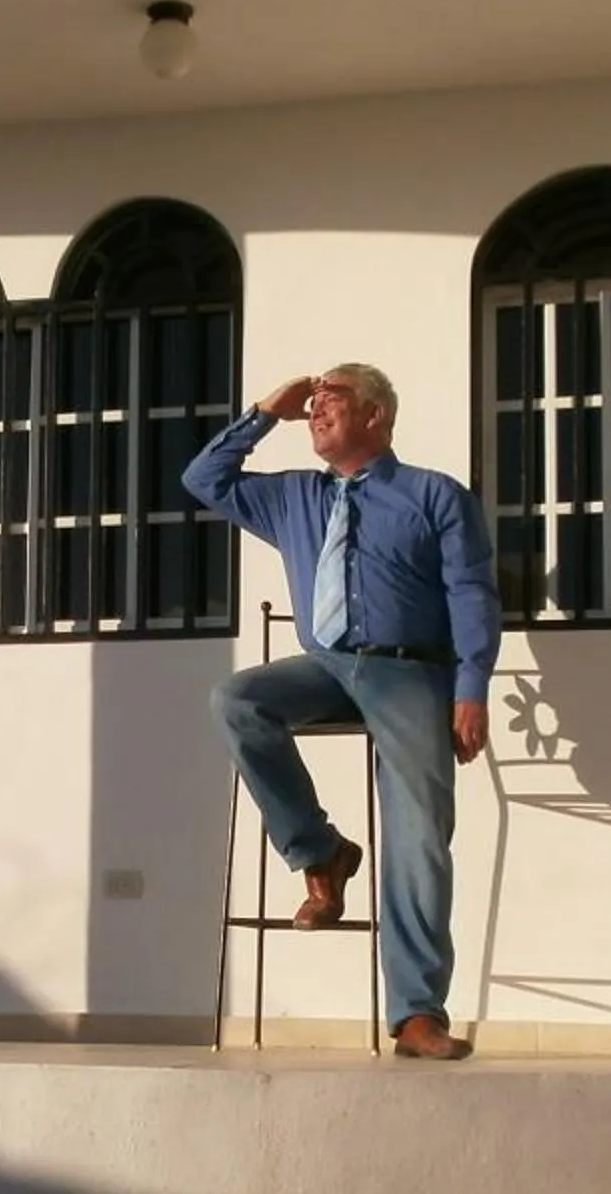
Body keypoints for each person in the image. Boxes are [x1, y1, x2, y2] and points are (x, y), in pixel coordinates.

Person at [184, 364, 499, 1061]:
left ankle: (417, 1013)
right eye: (314, 403)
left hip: (410, 670)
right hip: (326, 667)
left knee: (418, 836)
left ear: (377, 416)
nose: (318, 410)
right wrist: (267, 410)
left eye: (334, 401)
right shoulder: (293, 496)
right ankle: (321, 852)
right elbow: (203, 480)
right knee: (236, 699)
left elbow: (472, 593)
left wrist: (471, 685)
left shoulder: (433, 495)